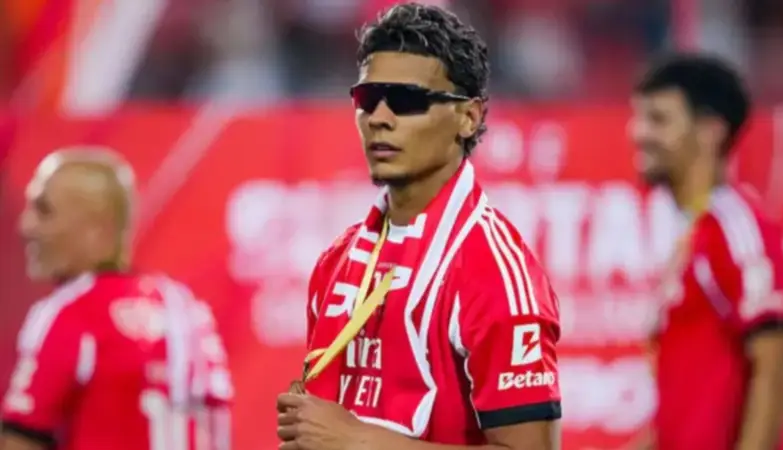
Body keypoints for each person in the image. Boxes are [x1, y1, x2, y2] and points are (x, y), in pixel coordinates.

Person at [276, 3, 562, 450]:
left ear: (469, 117)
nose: (379, 117)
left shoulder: (493, 271)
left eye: (407, 100)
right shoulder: (339, 261)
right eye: (368, 99)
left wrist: (357, 440)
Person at [0, 148, 233, 450]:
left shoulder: (70, 312)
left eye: (44, 210)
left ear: (96, 226)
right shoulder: (188, 310)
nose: (26, 226)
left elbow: (21, 439)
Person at [629, 53, 783, 450]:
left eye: (658, 120)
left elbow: (775, 365)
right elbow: (686, 414)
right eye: (639, 118)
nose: (638, 133)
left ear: (710, 131)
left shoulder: (739, 229)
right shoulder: (694, 236)